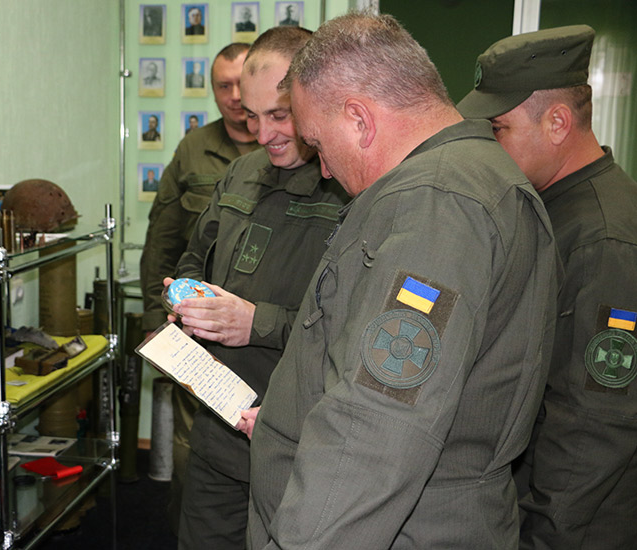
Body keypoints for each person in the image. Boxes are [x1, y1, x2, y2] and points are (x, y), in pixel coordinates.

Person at [245, 12, 558, 549]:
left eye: (318, 145)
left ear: (359, 120)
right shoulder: (471, 177)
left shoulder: (437, 203)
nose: (324, 170)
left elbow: (378, 423)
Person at [458, 25, 637, 550]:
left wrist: (542, 539)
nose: (491, 145)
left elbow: (594, 423)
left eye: (500, 129)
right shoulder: (548, 205)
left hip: (568, 526)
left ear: (557, 123)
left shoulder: (605, 239)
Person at [170, 26, 347, 549]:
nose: (262, 133)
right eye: (251, 116)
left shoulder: (349, 186)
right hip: (217, 428)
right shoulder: (241, 174)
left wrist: (256, 323)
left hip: (297, 440)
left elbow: (353, 327)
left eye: (279, 115)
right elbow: (192, 260)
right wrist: (185, 298)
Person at [139, 42, 259, 536]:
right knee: (194, 462)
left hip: (262, 334)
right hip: (199, 336)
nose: (234, 96)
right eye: (222, 86)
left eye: (241, 84)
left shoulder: (294, 147)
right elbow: (162, 241)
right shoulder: (194, 148)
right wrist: (156, 324)